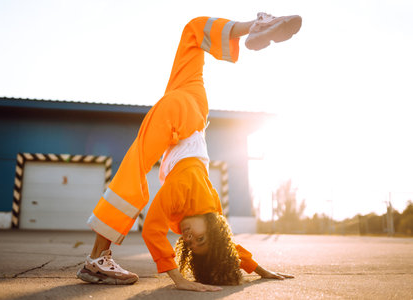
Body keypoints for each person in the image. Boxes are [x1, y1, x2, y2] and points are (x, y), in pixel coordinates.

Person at [77, 12, 301, 292]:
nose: (190, 239)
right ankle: (97, 258)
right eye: (201, 239)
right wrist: (178, 279)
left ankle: (255, 26)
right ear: (213, 232)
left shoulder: (200, 209)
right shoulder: (186, 194)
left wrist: (257, 268)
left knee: (193, 32)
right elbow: (154, 231)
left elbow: (223, 243)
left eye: (191, 245)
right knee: (134, 170)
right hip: (185, 116)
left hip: (190, 107)